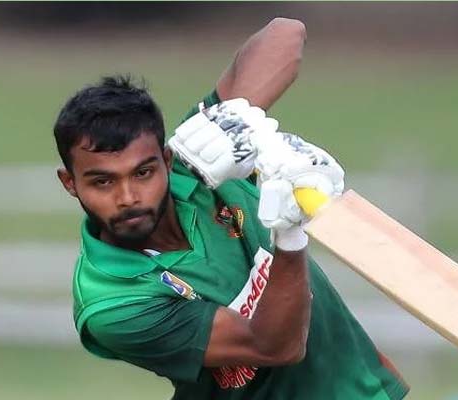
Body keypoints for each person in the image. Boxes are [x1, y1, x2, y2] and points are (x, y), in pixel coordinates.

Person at [53, 17, 409, 400]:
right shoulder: (112, 303)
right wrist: (289, 234)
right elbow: (275, 347)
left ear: (167, 161)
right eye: (103, 181)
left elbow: (286, 33)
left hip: (364, 390)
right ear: (70, 183)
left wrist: (236, 119)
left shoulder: (199, 159)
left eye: (143, 173)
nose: (128, 197)